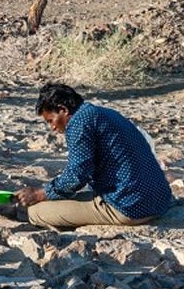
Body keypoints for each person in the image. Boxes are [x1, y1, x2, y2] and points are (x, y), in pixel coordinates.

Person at [15, 83, 172, 230]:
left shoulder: (79, 123)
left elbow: (77, 176)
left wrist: (40, 193)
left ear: (63, 109)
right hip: (159, 201)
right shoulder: (104, 113)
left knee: (36, 212)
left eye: (51, 120)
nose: (53, 127)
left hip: (130, 207)